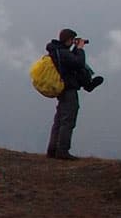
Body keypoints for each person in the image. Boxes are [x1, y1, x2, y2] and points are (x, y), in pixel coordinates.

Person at [44, 28, 104, 160]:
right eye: (72, 40)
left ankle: (52, 150)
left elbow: (72, 63)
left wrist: (75, 49)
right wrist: (80, 49)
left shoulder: (57, 51)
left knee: (59, 120)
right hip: (68, 90)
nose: (73, 43)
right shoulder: (62, 52)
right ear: (68, 40)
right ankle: (62, 151)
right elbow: (78, 63)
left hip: (62, 89)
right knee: (68, 121)